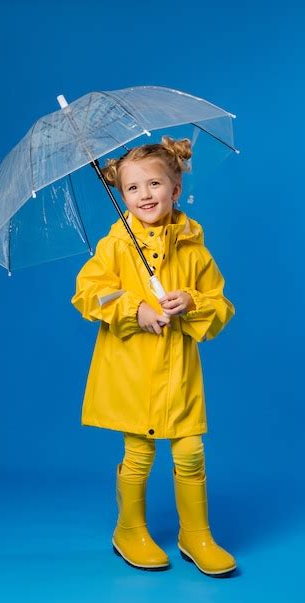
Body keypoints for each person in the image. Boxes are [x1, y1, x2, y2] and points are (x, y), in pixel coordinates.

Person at [71, 136, 236, 576]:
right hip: (131, 370)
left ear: (175, 189)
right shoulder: (115, 247)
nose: (145, 195)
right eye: (133, 188)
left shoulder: (195, 250)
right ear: (121, 195)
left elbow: (221, 307)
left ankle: (196, 534)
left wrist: (194, 304)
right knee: (139, 451)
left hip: (178, 372)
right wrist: (134, 308)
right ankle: (129, 530)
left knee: (190, 451)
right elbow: (89, 294)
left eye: (155, 184)